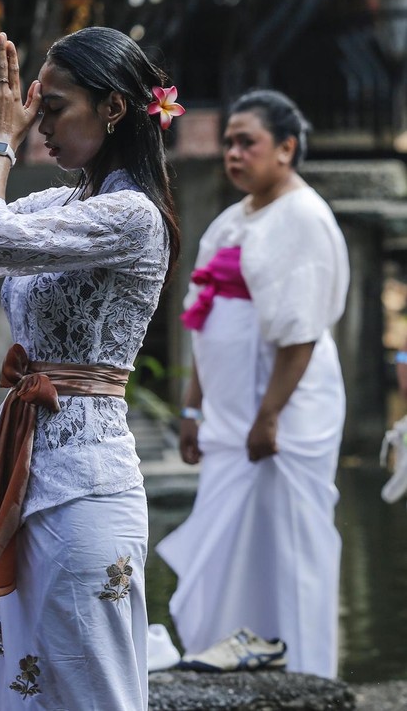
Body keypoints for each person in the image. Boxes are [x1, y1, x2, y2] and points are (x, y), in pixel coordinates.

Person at [0, 27, 182, 710]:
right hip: (29, 484)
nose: (39, 124)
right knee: (28, 690)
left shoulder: (133, 216)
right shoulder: (57, 206)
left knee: (95, 693)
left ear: (112, 108)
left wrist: (2, 141)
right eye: (34, 109)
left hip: (87, 486)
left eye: (54, 108)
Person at [156, 90, 349, 679]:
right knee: (232, 538)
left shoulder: (305, 217)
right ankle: (226, 657)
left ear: (286, 149)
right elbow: (200, 317)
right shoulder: (233, 217)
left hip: (284, 412)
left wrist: (269, 417)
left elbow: (300, 334)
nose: (234, 154)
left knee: (284, 538)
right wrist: (193, 410)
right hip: (230, 412)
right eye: (229, 143)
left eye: (248, 142)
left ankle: (300, 667)